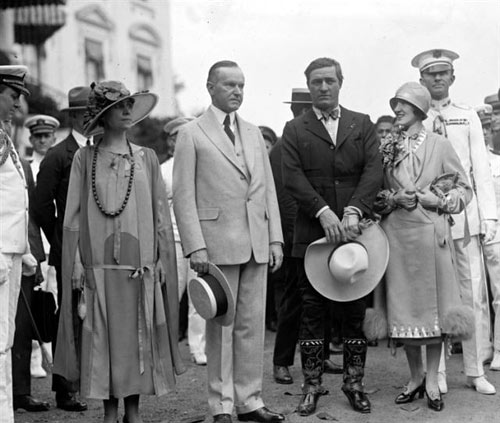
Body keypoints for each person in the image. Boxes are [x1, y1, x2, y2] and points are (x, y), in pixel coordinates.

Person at [53, 80, 184, 423]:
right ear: (104, 115)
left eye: (129, 106)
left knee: (135, 337)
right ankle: (110, 413)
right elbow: (73, 217)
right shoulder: (85, 158)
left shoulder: (148, 158)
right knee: (104, 339)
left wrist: (160, 259)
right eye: (119, 107)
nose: (127, 112)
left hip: (138, 267)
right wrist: (78, 262)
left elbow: (159, 216)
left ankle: (134, 413)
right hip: (98, 267)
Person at [173, 60, 284, 423]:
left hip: (256, 240)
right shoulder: (192, 133)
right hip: (216, 242)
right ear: (210, 87)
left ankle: (250, 401)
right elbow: (183, 194)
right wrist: (195, 245)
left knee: (252, 326)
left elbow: (266, 189)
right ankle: (220, 405)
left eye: (241, 85)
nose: (237, 91)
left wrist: (275, 240)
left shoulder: (253, 133)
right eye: (229, 85)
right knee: (221, 326)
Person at [281, 57, 383, 415]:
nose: (323, 88)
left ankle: (354, 382)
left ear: (341, 83)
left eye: (329, 81)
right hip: (313, 234)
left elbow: (374, 170)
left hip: (356, 234)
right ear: (308, 87)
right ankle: (312, 385)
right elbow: (291, 176)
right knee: (312, 311)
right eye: (316, 82)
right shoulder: (295, 129)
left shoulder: (362, 124)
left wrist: (354, 209)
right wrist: (322, 211)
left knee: (354, 310)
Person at [375, 81, 474, 411]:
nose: (397, 111)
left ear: (419, 109)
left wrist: (441, 199)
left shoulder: (440, 144)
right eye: (395, 105)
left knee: (434, 312)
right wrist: (391, 197)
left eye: (402, 105)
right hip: (398, 238)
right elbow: (376, 193)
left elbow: (465, 190)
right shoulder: (387, 147)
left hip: (432, 238)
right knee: (405, 311)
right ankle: (415, 376)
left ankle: (433, 380)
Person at [413, 49, 498, 395]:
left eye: (443, 73)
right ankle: (439, 372)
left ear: (452, 77)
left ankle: (476, 370)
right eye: (430, 73)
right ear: (421, 80)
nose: (437, 78)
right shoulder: (416, 118)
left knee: (473, 295)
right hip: (429, 222)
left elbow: (478, 168)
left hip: (464, 219)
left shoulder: (467, 116)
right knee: (436, 297)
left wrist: (489, 216)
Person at [31, 87, 92, 412]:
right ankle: (65, 389)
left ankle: (91, 379)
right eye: (85, 113)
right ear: (74, 117)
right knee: (67, 317)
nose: (90, 118)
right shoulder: (58, 155)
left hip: (100, 249)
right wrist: (60, 240)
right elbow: (41, 205)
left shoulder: (99, 151)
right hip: (68, 249)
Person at [0, 65, 37, 423]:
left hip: (10, 250)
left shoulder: (5, 135)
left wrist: (23, 250)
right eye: (12, 97)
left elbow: (12, 199)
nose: (17, 105)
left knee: (5, 338)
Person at [160, 116, 207, 366]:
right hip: (174, 240)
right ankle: (166, 347)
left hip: (199, 240)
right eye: (177, 138)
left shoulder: (203, 166)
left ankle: (198, 346)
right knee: (172, 294)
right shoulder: (163, 169)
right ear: (170, 142)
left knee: (199, 295)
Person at [24, 114, 60, 380]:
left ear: (54, 137)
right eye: (38, 136)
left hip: (56, 240)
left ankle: (55, 355)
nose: (42, 140)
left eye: (46, 136)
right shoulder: (26, 166)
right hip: (36, 241)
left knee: (54, 299)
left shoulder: (60, 162)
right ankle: (37, 357)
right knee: (36, 300)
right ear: (31, 139)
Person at [481, 111, 500, 371]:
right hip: (473, 229)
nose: (485, 132)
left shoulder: (496, 162)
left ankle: (498, 349)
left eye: (488, 128)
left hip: (496, 230)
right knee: (475, 295)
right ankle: (481, 348)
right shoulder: (464, 163)